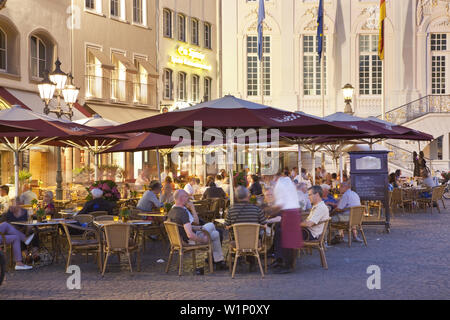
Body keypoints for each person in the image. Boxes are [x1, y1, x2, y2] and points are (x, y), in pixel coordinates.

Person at [168, 189, 226, 270]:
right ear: (181, 198)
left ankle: (218, 261)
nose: (188, 199)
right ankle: (217, 261)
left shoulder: (172, 211)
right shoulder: (182, 212)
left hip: (179, 240)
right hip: (189, 241)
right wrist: (202, 240)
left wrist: (199, 228)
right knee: (211, 225)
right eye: (186, 197)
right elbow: (190, 235)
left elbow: (183, 227)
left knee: (215, 234)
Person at [224, 186, 267, 272]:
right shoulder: (256, 209)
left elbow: (226, 226)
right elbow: (264, 225)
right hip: (255, 243)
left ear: (236, 197)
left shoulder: (230, 210)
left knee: (237, 238)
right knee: (252, 237)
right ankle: (252, 263)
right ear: (248, 196)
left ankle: (239, 261)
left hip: (237, 243)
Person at [270, 172, 302, 274]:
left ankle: (288, 266)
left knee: (288, 240)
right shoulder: (288, 182)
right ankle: (285, 262)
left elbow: (280, 203)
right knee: (288, 239)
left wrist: (268, 209)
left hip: (289, 213)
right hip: (293, 212)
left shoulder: (281, 184)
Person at [4, 199, 40, 263]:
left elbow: (30, 220)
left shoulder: (24, 212)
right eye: (14, 205)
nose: (17, 206)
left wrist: (29, 227)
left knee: (33, 232)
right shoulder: (8, 214)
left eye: (18, 204)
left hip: (25, 229)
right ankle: (26, 256)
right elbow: (8, 227)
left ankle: (35, 254)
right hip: (15, 232)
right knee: (19, 235)